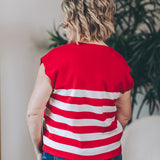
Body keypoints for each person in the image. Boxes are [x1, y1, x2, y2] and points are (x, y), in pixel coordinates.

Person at [26, 0, 135, 160]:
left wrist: (38, 151)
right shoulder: (120, 63)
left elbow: (33, 113)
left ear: (77, 20)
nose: (63, 22)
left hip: (60, 154)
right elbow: (124, 115)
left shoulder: (53, 60)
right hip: (108, 155)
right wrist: (102, 143)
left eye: (67, 16)